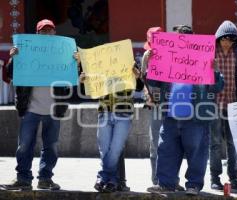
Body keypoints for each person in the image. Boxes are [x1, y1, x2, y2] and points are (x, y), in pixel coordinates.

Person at [146, 25, 224, 196]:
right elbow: (153, 82)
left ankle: (194, 185)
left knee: (197, 152)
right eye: (177, 39)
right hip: (170, 116)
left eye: (185, 39)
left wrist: (215, 71)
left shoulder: (205, 59)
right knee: (166, 150)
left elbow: (217, 87)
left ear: (193, 40)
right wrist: (150, 63)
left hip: (196, 117)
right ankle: (166, 183)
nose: (181, 43)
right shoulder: (167, 58)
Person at [1, 19, 77, 190]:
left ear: (55, 33)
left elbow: (75, 79)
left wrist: (76, 63)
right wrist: (13, 58)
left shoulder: (63, 52)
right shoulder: (25, 51)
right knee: (24, 146)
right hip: (30, 108)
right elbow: (9, 75)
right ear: (37, 34)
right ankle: (23, 178)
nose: (47, 34)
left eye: (50, 31)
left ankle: (45, 178)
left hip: (54, 109)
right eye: (43, 31)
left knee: (51, 147)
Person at [80, 64, 143, 193]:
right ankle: (112, 181)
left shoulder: (130, 63)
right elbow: (90, 90)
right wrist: (83, 81)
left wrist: (138, 77)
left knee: (115, 150)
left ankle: (103, 177)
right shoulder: (98, 62)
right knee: (104, 149)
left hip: (124, 114)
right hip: (105, 112)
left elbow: (140, 87)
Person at [141, 26, 184, 191]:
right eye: (153, 38)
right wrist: (147, 61)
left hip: (171, 103)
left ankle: (173, 179)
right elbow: (143, 79)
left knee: (173, 143)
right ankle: (157, 179)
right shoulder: (147, 55)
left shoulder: (172, 52)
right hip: (155, 105)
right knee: (155, 144)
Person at [209, 20, 237, 191]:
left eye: (231, 39)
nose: (227, 42)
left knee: (233, 142)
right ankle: (214, 178)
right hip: (214, 103)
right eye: (224, 38)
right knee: (215, 142)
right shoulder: (210, 50)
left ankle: (234, 177)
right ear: (218, 38)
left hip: (232, 102)